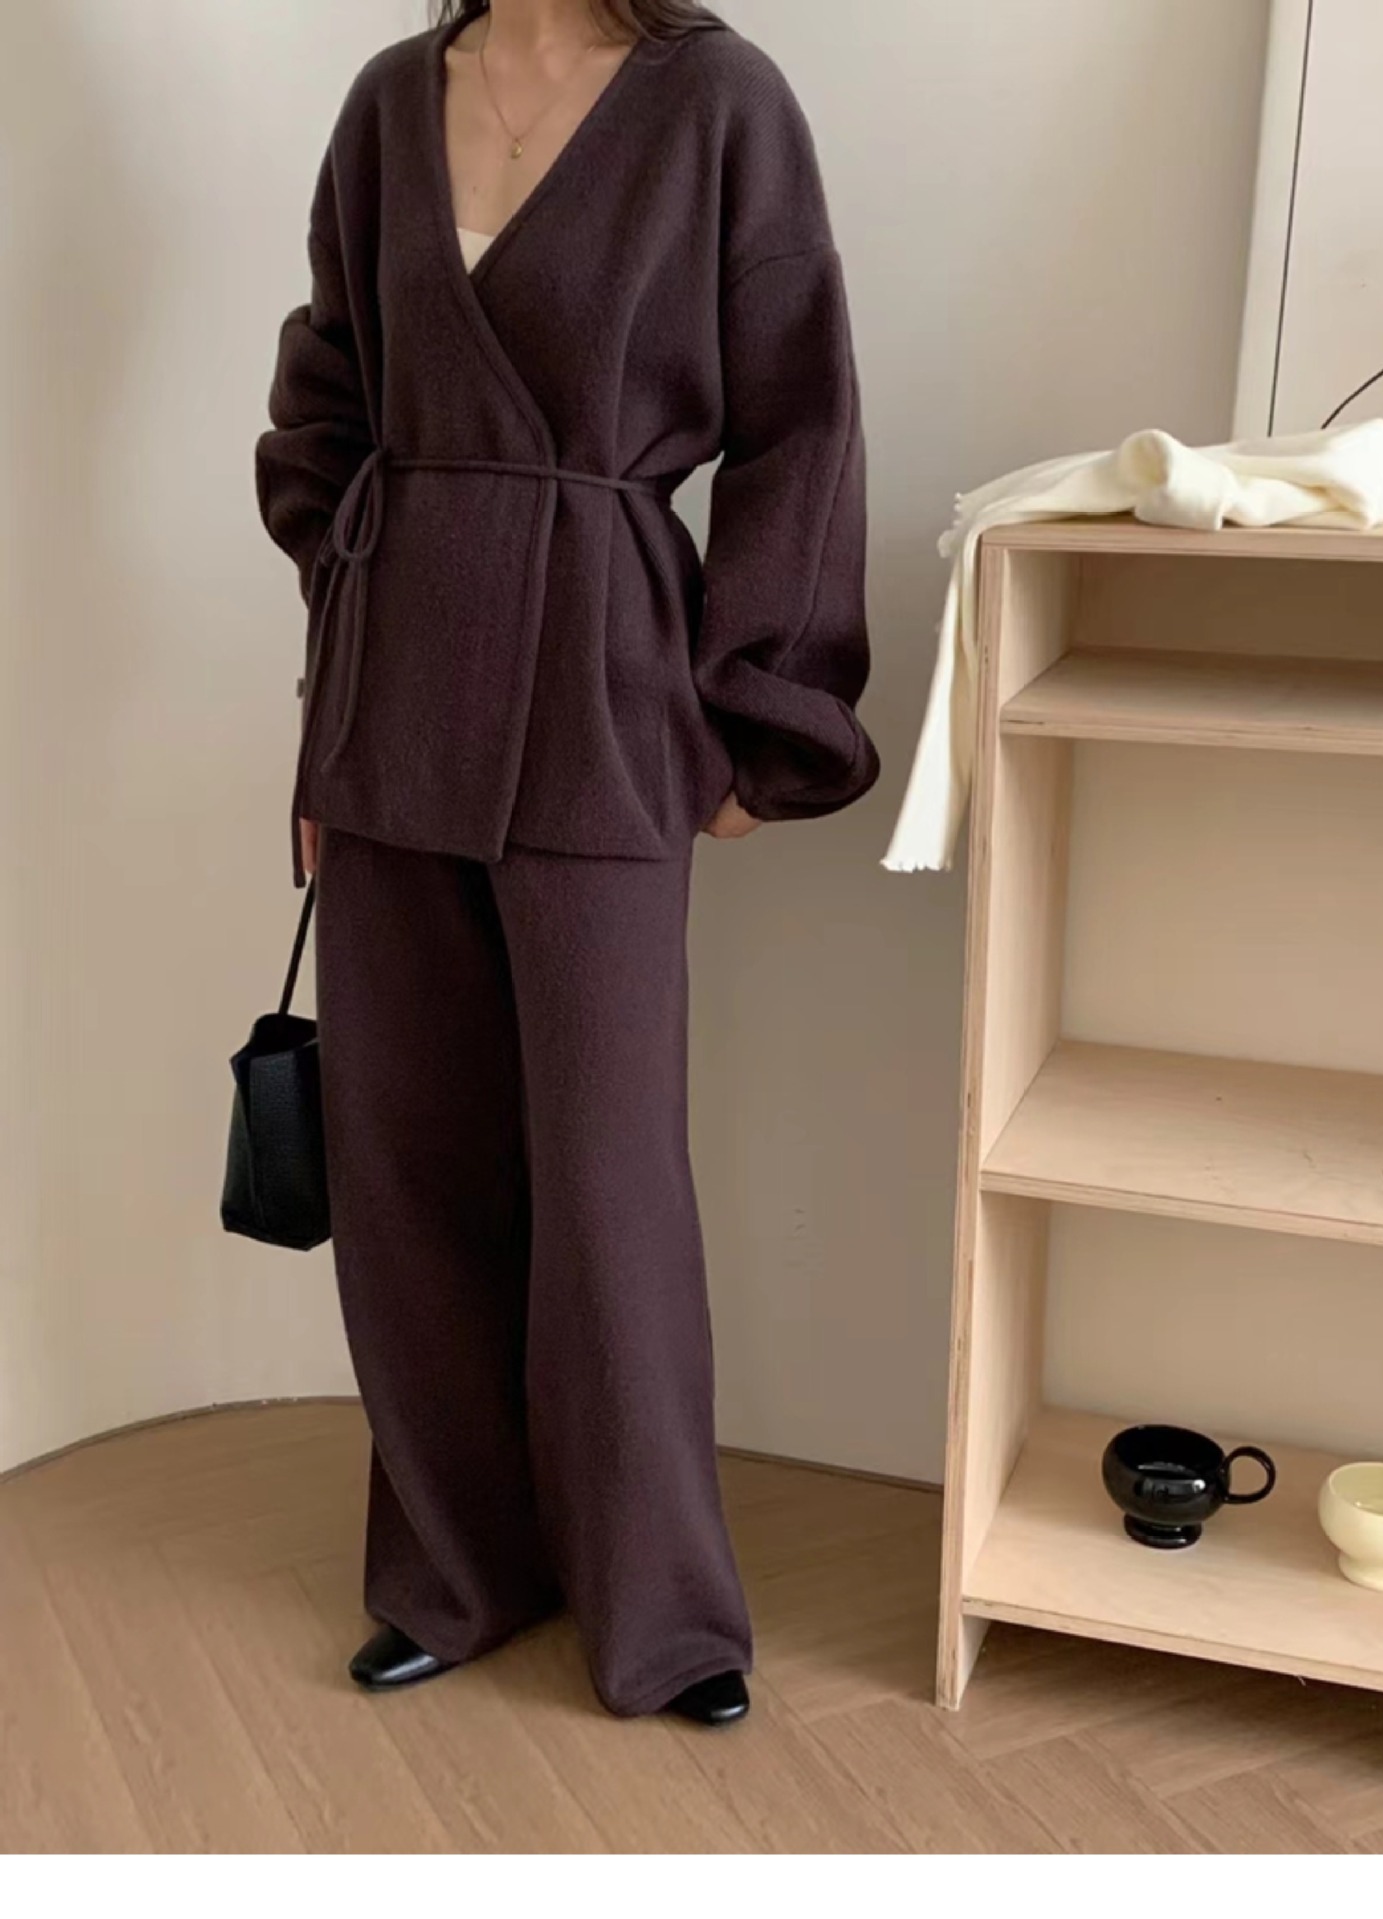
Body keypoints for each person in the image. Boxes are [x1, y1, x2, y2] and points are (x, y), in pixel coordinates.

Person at [254, 0, 878, 1728]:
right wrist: (329, 722)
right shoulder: (391, 102)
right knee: (409, 1167)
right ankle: (452, 1575)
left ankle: (659, 1607)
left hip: (605, 690)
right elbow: (322, 412)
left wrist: (764, 712)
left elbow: (800, 421)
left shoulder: (718, 101)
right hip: (394, 710)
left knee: (608, 1182)